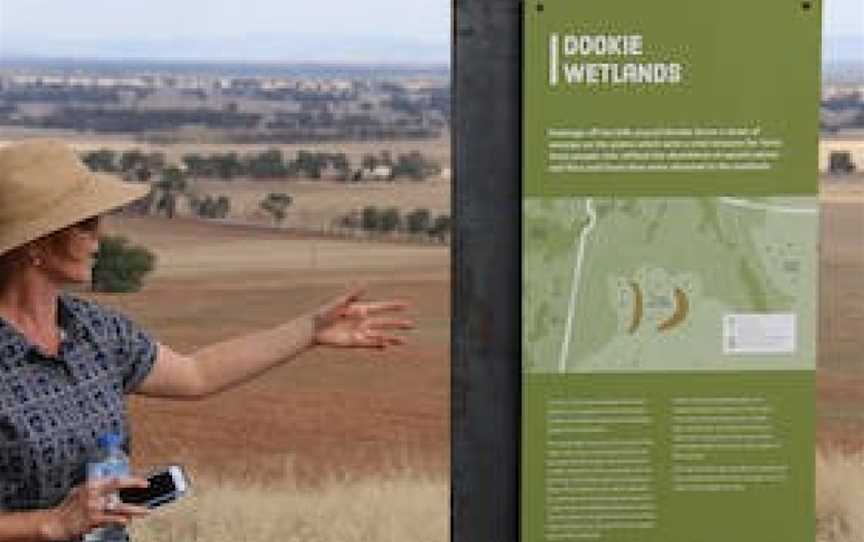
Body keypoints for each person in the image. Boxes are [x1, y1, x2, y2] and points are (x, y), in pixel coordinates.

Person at [0, 140, 414, 541]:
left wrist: (312, 330)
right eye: (85, 224)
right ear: (36, 242)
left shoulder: (96, 332)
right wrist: (49, 524)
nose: (100, 237)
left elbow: (196, 373)